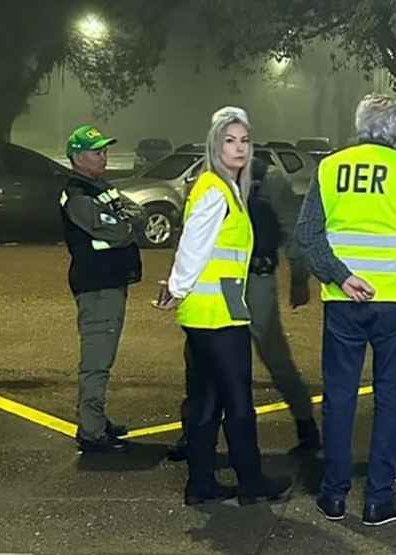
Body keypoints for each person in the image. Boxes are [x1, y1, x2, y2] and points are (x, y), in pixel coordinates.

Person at [297, 94, 396, 526]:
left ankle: (334, 495)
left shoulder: (329, 167)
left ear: (360, 125)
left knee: (339, 396)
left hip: (344, 302)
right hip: (395, 302)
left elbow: (308, 235)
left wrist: (341, 276)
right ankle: (379, 497)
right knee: (391, 397)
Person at [153, 106, 291, 506]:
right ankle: (250, 481)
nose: (239, 148)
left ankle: (201, 484)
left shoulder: (228, 188)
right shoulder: (215, 190)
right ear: (215, 147)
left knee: (207, 400)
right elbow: (193, 247)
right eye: (229, 141)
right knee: (238, 400)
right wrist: (177, 288)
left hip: (212, 312)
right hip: (214, 317)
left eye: (244, 140)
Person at [167, 156, 320, 462]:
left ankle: (305, 424)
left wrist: (300, 276)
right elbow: (190, 234)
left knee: (273, 355)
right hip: (215, 282)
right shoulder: (205, 176)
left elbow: (292, 226)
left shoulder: (268, 178)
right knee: (200, 359)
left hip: (254, 279)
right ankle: (195, 433)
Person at [60, 125, 144, 454]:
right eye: (97, 152)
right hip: (97, 286)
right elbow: (121, 230)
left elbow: (134, 215)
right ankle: (92, 432)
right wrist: (123, 225)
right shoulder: (79, 196)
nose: (104, 156)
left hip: (110, 281)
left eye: (105, 150)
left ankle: (95, 419)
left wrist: (124, 224)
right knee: (97, 359)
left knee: (103, 356)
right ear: (78, 158)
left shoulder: (99, 187)